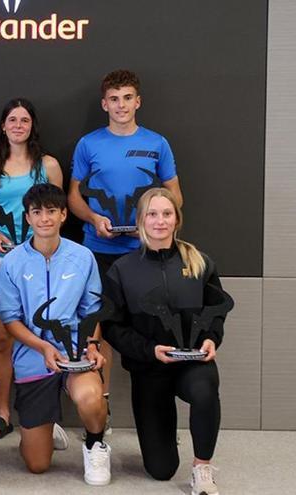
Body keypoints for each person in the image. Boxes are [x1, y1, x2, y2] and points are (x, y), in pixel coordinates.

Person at [67, 69, 183, 418]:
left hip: (145, 252)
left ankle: (157, 414)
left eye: (127, 98)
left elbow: (175, 195)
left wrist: (147, 223)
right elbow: (73, 198)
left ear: (138, 101)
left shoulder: (156, 143)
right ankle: (101, 415)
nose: (121, 105)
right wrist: (93, 219)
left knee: (149, 326)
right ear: (105, 104)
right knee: (100, 329)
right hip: (98, 250)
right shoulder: (89, 144)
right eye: (114, 99)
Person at [103, 188, 227, 495]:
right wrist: (150, 350)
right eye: (152, 214)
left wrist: (211, 339)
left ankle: (202, 468)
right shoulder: (122, 269)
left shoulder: (200, 262)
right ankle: (165, 437)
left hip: (193, 362)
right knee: (160, 470)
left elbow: (215, 313)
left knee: (205, 390)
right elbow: (112, 327)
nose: (160, 221)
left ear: (177, 219)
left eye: (167, 214)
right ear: (141, 221)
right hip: (149, 367)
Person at [0, 183, 111, 486]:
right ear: (28, 217)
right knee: (36, 465)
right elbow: (10, 319)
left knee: (90, 398)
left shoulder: (83, 257)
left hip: (75, 353)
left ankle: (95, 443)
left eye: (51, 211)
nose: (44, 218)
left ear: (63, 215)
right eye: (37, 212)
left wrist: (92, 344)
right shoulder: (11, 263)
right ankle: (44, 427)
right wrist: (42, 347)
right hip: (33, 357)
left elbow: (92, 310)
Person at [0, 98, 63, 442]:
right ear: (3, 125)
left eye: (24, 119)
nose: (18, 125)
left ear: (32, 125)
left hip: (40, 259)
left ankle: (44, 415)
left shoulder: (48, 165)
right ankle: (2, 410)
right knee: (1, 337)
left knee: (46, 332)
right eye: (12, 119)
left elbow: (56, 211)